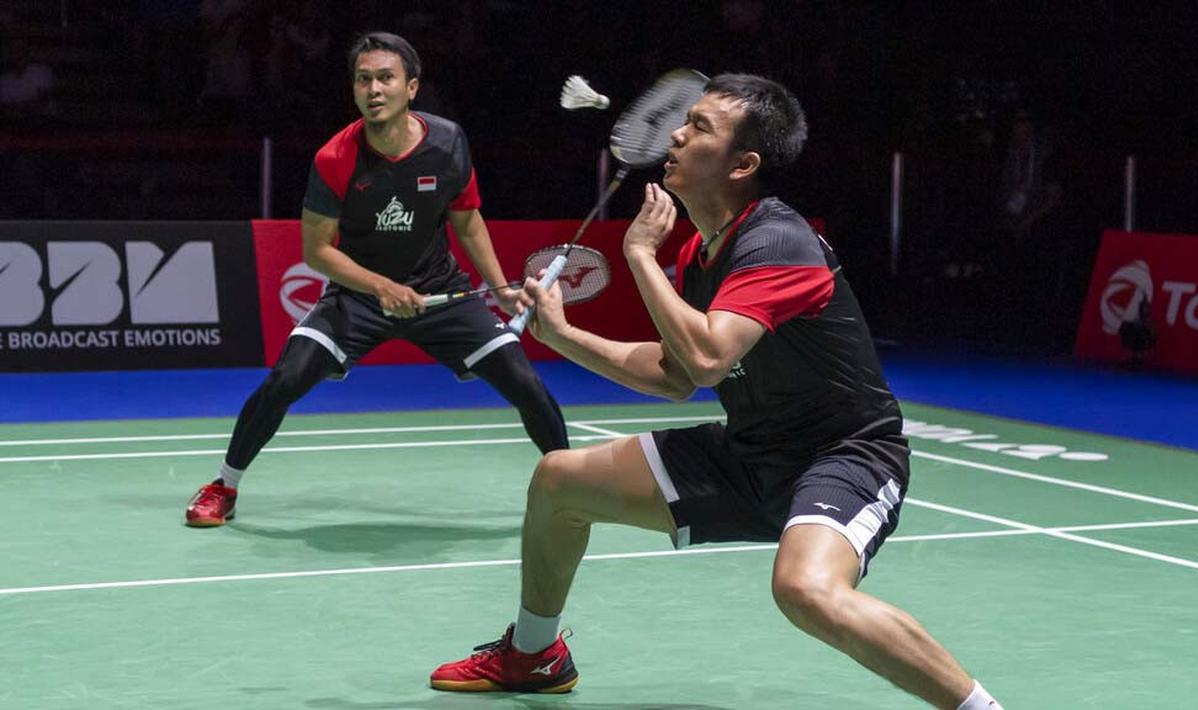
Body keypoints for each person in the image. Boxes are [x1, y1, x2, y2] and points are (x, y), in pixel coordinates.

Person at [429, 74, 1001, 709]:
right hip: (749, 453)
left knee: (806, 590)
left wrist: (640, 255)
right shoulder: (702, 254)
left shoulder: (778, 242)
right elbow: (675, 375)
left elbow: (704, 357)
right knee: (560, 481)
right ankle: (534, 657)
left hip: (843, 458)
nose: (675, 133)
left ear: (743, 164)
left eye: (699, 126)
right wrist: (562, 336)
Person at [185, 32, 568, 526]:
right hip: (359, 296)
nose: (374, 89)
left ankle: (571, 486)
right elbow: (317, 251)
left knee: (525, 382)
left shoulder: (448, 142)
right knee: (286, 378)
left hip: (438, 292)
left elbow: (467, 219)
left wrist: (501, 287)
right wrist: (381, 287)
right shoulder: (334, 157)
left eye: (386, 78)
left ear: (412, 87)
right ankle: (224, 486)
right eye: (363, 79)